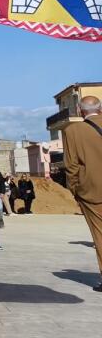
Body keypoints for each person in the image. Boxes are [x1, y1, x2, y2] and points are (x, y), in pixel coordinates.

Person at [61, 94, 102, 292]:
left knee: (100, 234)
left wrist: (75, 188)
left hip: (93, 190)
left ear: (79, 110)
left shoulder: (73, 130)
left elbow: (71, 165)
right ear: (100, 110)